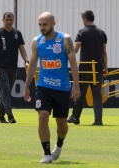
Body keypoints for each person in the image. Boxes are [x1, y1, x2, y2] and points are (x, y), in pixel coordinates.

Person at [23, 12, 80, 163]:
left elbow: (73, 63)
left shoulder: (65, 39)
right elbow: (33, 64)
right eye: (40, 25)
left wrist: (76, 86)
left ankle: (59, 145)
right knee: (42, 116)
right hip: (43, 86)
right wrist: (27, 86)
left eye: (45, 25)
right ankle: (47, 154)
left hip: (62, 87)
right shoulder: (37, 42)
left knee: (61, 123)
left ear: (53, 23)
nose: (42, 28)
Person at [67, 10, 108, 125]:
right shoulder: (101, 33)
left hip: (85, 67)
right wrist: (106, 68)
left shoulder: (82, 32)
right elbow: (104, 52)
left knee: (80, 93)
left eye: (83, 19)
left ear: (85, 19)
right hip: (98, 68)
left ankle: (75, 117)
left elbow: (75, 49)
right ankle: (98, 120)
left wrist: (65, 57)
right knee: (97, 95)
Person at [0, 12, 29, 123]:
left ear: (13, 20)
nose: (9, 21)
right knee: (5, 90)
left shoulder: (17, 33)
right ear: (3, 20)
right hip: (0, 68)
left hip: (13, 67)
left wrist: (26, 61)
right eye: (7, 19)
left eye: (11, 19)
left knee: (6, 92)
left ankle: (0, 117)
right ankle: (10, 117)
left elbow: (22, 49)